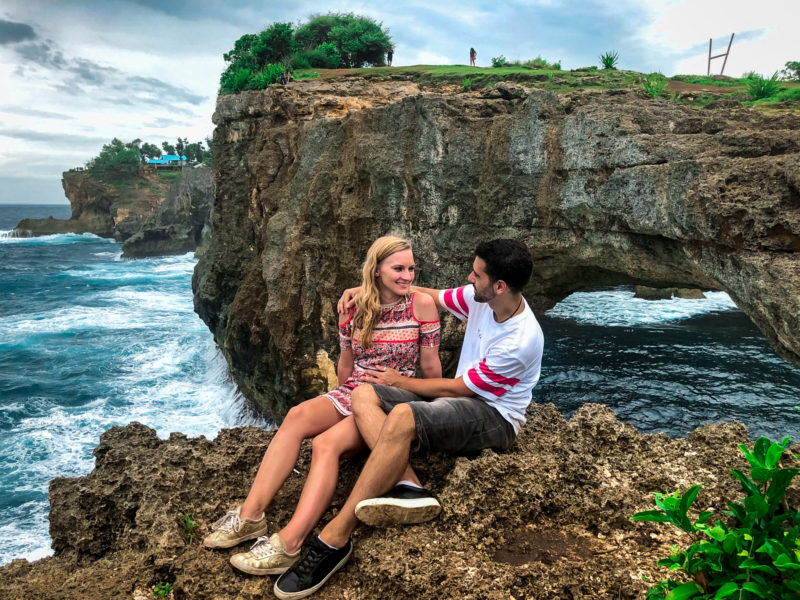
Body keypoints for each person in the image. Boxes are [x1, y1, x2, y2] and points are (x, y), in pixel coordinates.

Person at [273, 239, 544, 600]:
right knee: (363, 391)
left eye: (476, 274)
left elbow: (462, 389)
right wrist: (368, 287)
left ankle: (334, 539)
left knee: (402, 414)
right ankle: (410, 486)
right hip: (462, 398)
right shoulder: (481, 299)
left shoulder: (521, 339)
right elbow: (427, 293)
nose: (468, 277)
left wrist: (401, 382)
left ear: (499, 286)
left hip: (493, 416)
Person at [203, 235, 441, 578]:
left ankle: (290, 544)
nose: (407, 275)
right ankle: (251, 517)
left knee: (325, 443)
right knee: (297, 415)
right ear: (376, 271)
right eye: (398, 268)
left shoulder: (421, 305)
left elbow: (431, 367)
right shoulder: (353, 307)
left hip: (392, 397)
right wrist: (335, 400)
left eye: (411, 268)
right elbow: (347, 364)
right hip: (354, 389)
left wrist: (433, 410)